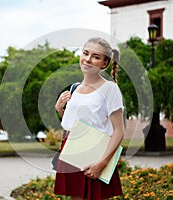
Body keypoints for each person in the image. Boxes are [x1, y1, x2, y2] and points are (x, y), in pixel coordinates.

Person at [54, 37, 125, 200]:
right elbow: (74, 125)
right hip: (73, 151)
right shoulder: (75, 88)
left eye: (96, 56)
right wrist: (59, 109)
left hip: (96, 155)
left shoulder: (110, 89)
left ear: (104, 64)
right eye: (86, 53)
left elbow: (119, 131)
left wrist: (102, 163)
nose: (88, 59)